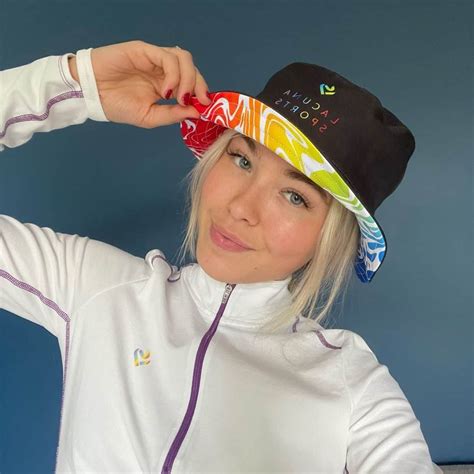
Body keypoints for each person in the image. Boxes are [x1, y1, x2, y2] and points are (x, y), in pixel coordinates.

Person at [0, 40, 442, 473]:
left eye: (294, 196)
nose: (240, 208)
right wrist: (79, 83)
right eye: (242, 160)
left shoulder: (353, 381)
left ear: (331, 239)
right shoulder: (97, 287)